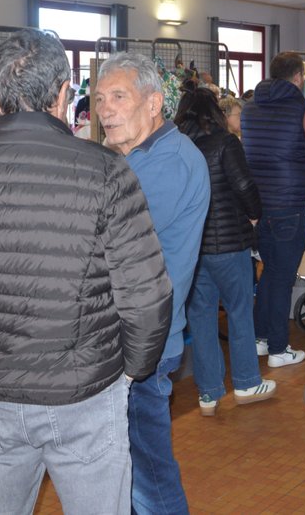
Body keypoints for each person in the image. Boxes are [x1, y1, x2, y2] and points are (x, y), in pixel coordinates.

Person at [0, 29, 173, 515]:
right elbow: (145, 298)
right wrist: (132, 371)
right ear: (65, 91)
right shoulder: (106, 172)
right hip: (87, 391)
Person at [95, 52, 210, 514]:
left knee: (148, 474)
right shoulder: (135, 158)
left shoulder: (167, 162)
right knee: (127, 468)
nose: (105, 108)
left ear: (154, 103)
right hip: (125, 340)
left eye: (119, 96)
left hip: (142, 344)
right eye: (99, 98)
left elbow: (101, 245)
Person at [174, 88, 274, 417]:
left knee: (200, 317)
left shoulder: (174, 146)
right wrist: (255, 212)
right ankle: (246, 382)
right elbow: (244, 185)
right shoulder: (225, 143)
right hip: (230, 243)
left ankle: (208, 393)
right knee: (239, 310)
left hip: (191, 248)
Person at [242, 52, 305, 367]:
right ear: (298, 78)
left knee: (269, 274)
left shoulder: (249, 108)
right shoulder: (303, 111)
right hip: (290, 205)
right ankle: (279, 349)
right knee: (282, 278)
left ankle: (260, 338)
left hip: (257, 206)